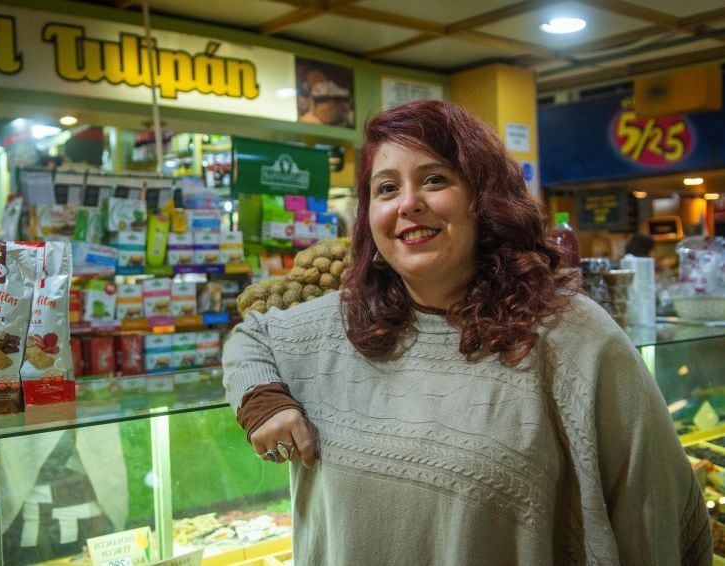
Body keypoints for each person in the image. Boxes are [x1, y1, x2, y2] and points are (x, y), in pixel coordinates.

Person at [223, 100, 711, 565]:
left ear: (484, 199)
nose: (408, 204)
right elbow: (252, 337)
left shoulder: (573, 336)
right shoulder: (343, 319)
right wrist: (262, 398)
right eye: (386, 188)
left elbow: (653, 509)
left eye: (434, 180)